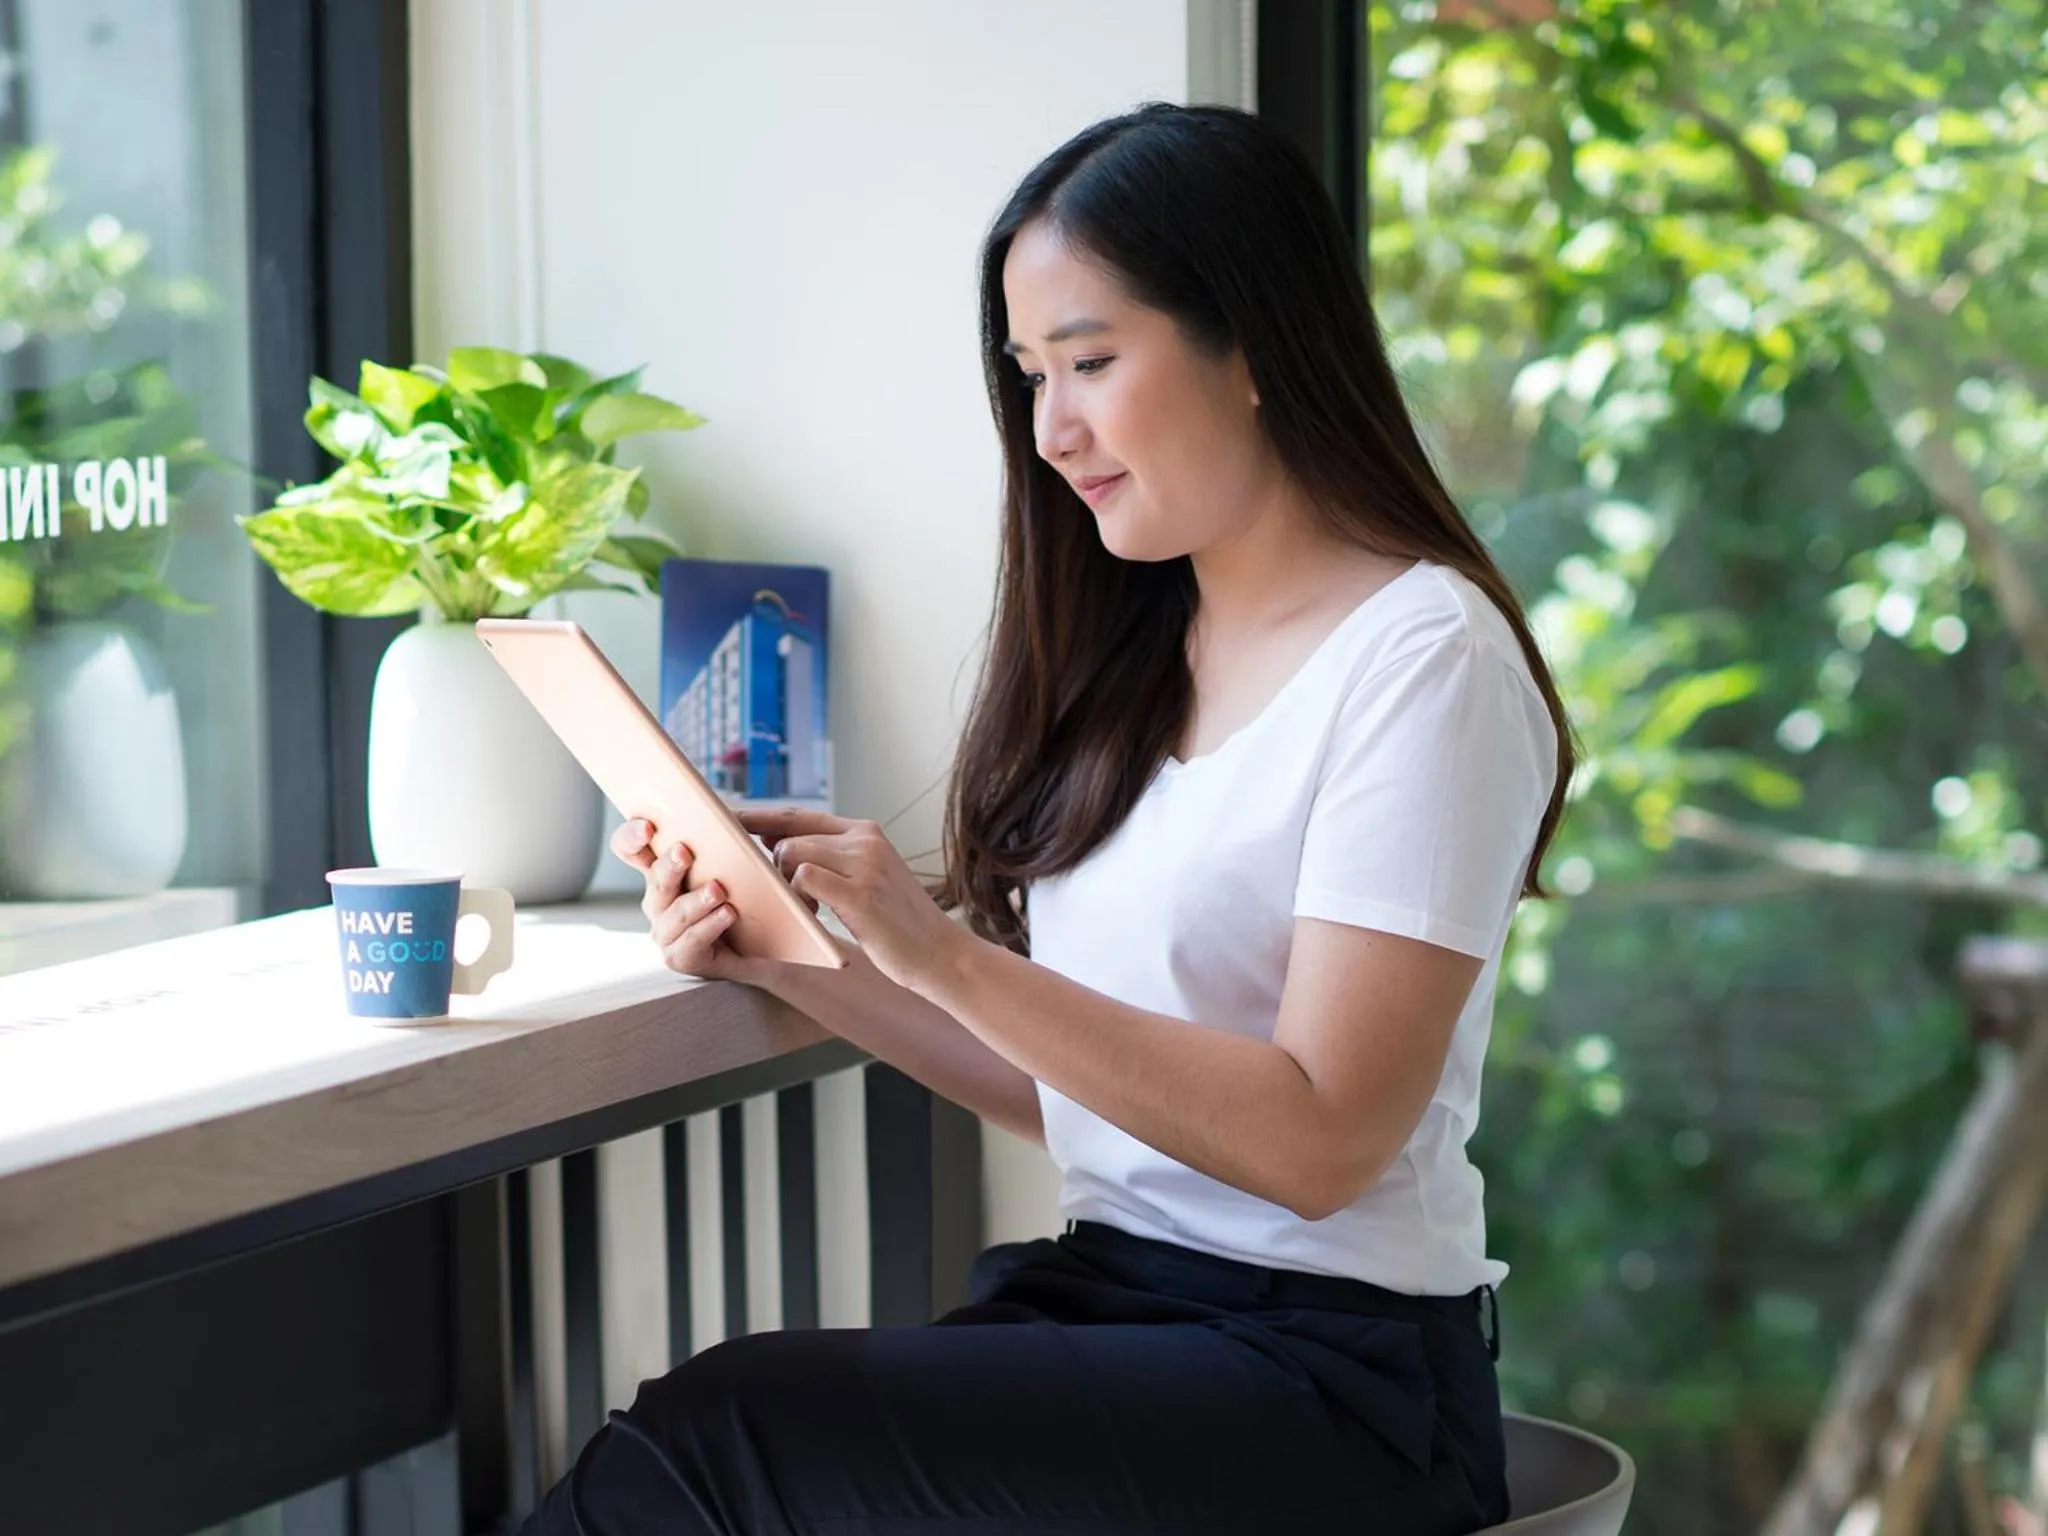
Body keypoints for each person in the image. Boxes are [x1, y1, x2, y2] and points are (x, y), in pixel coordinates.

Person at [521, 101, 1575, 1536]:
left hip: (1336, 1385)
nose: (1052, 428)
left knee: (721, 1436)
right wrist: (793, 953)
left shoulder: (1424, 658)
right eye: (1029, 376)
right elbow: (1084, 1097)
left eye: (1090, 361)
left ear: (1255, 348)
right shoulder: (1136, 656)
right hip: (1125, 1308)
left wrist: (940, 951)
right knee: (728, 1452)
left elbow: (1322, 1143)